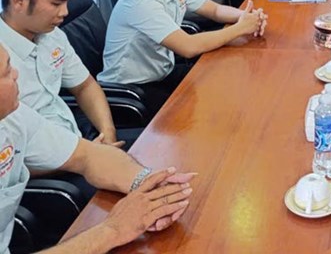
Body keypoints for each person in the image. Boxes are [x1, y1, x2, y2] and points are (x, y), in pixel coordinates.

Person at [0, 43, 195, 253]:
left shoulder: (13, 118)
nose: (17, 73)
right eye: (7, 70)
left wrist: (148, 186)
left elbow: (87, 156)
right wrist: (112, 230)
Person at [99, 0, 266, 114]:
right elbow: (187, 47)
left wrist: (246, 16)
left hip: (162, 70)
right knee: (207, 109)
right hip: (134, 89)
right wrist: (240, 28)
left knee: (224, 79)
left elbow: (215, 10)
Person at [0, 0, 133, 147]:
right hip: (40, 166)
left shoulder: (51, 34)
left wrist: (107, 134)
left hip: (76, 140)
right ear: (19, 0)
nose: (65, 12)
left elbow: (84, 86)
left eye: (67, 2)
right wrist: (88, 157)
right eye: (56, 3)